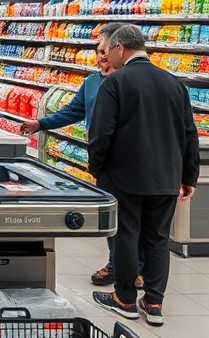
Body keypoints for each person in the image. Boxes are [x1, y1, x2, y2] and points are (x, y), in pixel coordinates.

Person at [89, 25, 199, 326]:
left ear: (120, 48)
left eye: (108, 49)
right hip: (165, 177)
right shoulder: (175, 84)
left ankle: (124, 299)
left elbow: (101, 134)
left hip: (124, 176)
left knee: (126, 235)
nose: (107, 55)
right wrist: (189, 176)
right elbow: (190, 134)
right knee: (157, 239)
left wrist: (97, 169)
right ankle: (153, 303)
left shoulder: (115, 83)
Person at [20, 23, 141, 288]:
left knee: (134, 221)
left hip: (130, 160)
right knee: (116, 218)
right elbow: (74, 111)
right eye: (98, 51)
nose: (101, 56)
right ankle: (119, 264)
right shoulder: (92, 82)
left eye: (105, 51)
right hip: (105, 160)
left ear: (118, 50)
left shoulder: (128, 82)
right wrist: (40, 124)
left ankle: (134, 270)